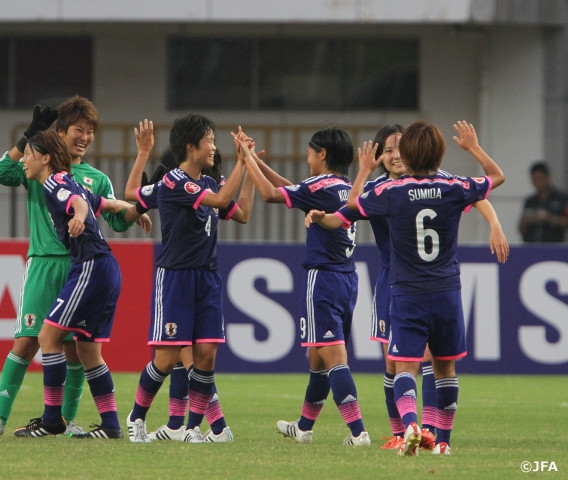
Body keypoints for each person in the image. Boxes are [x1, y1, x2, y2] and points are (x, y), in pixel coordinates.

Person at [308, 120, 506, 456]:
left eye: (399, 149)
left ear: (409, 154)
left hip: (404, 285)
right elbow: (492, 180)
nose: (394, 155)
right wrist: (472, 147)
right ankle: (438, 440)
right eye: (388, 151)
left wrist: (362, 172)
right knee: (439, 365)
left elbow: (350, 208)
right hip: (443, 287)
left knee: (403, 363)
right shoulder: (451, 185)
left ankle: (414, 426)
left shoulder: (388, 193)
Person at [0, 97, 149, 438]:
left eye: (90, 132)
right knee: (28, 344)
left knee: (73, 348)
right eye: (78, 130)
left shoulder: (89, 178)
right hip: (45, 264)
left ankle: (62, 421)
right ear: (60, 133)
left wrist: (140, 206)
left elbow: (113, 217)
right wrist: (26, 138)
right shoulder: (37, 169)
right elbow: (0, 173)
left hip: (81, 268)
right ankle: (0, 419)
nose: (84, 137)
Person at [236, 126, 370, 447]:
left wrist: (244, 158)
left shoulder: (318, 184)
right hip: (348, 280)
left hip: (322, 278)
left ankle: (358, 432)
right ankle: (304, 428)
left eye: (311, 150)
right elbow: (291, 188)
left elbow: (270, 194)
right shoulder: (344, 187)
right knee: (317, 357)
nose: (307, 156)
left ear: (322, 154)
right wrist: (255, 160)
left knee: (332, 356)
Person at [125, 114, 254, 443]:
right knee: (167, 358)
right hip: (176, 279)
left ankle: (193, 428)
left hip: (207, 278)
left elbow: (241, 213)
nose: (214, 147)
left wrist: (249, 169)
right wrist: (242, 161)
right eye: (209, 140)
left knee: (207, 354)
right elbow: (131, 194)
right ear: (190, 146)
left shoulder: (208, 183)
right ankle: (136, 416)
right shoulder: (174, 182)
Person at [519, 161, 568, 242]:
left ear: (547, 177)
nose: (537, 182)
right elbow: (521, 228)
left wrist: (550, 218)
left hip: (553, 247)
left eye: (540, 179)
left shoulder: (561, 198)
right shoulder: (530, 201)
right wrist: (527, 220)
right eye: (534, 179)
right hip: (531, 246)